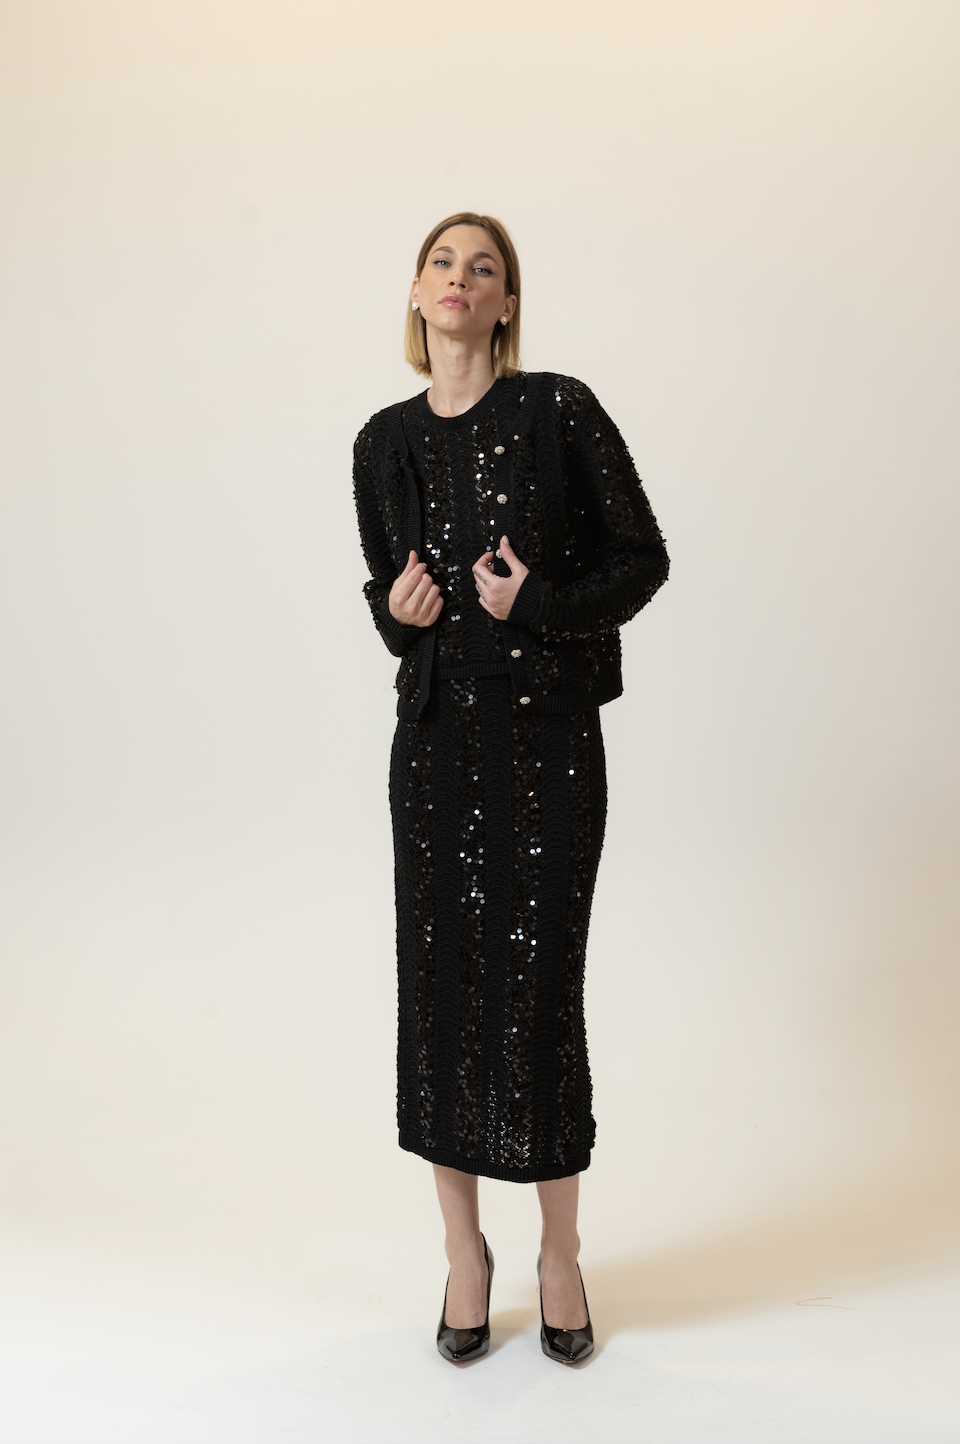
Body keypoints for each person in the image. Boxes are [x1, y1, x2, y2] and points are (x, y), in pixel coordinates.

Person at [353, 212, 668, 1364]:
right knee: (439, 1000)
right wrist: (399, 616)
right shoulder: (381, 442)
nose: (460, 278)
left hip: (546, 752)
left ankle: (560, 1252)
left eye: (483, 267)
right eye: (442, 261)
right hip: (435, 750)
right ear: (417, 293)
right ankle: (463, 1254)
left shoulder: (558, 410)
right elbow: (387, 604)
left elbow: (641, 557)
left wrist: (533, 603)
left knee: (537, 999)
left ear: (507, 305)